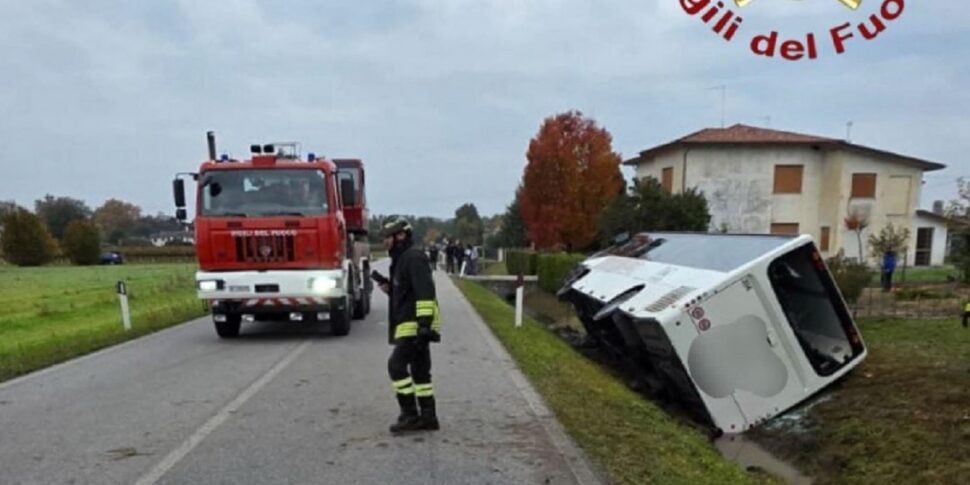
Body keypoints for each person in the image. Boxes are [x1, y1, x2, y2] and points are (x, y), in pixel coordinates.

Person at [378, 216, 441, 434]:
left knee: (396, 366)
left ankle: (410, 415)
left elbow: (425, 293)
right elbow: (407, 293)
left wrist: (424, 326)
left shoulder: (413, 258)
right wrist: (389, 288)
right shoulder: (402, 258)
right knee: (420, 372)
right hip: (413, 323)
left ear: (401, 235)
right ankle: (428, 416)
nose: (385, 242)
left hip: (415, 325)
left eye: (388, 237)